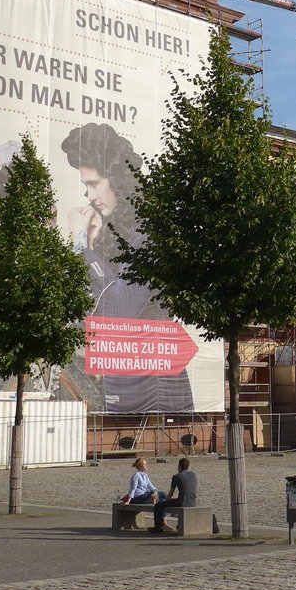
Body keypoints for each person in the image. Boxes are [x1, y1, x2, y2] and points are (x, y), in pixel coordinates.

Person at [61, 123, 194, 414]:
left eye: (94, 184)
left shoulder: (148, 231)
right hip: (120, 379)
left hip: (155, 389)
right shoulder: (109, 230)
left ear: (117, 179)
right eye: (85, 186)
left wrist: (81, 245)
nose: (90, 196)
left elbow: (117, 309)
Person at [150, 457, 197, 534]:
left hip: (181, 502)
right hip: (193, 502)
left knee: (158, 506)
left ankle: (158, 527)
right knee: (170, 502)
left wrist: (166, 501)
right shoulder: (193, 475)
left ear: (179, 466)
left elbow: (171, 493)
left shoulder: (177, 476)